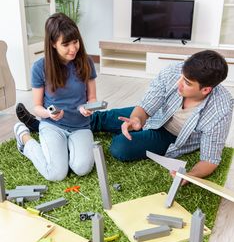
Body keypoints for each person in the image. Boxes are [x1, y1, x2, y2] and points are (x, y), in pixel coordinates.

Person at [16, 50, 234, 181]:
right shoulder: (175, 71)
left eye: (187, 83)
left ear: (206, 89)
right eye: (182, 77)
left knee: (120, 147)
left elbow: (210, 159)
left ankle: (45, 127)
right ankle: (46, 124)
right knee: (103, 117)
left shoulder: (221, 109)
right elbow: (147, 105)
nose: (179, 83)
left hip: (171, 136)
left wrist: (190, 175)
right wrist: (137, 119)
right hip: (157, 115)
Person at [14, 13, 97, 181]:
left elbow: (93, 98)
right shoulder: (40, 67)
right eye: (66, 44)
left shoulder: (86, 62)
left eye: (75, 42)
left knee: (82, 168)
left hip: (80, 126)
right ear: (53, 43)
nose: (73, 48)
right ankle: (24, 138)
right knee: (56, 174)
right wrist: (49, 114)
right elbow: (37, 107)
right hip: (52, 125)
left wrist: (88, 108)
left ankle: (64, 149)